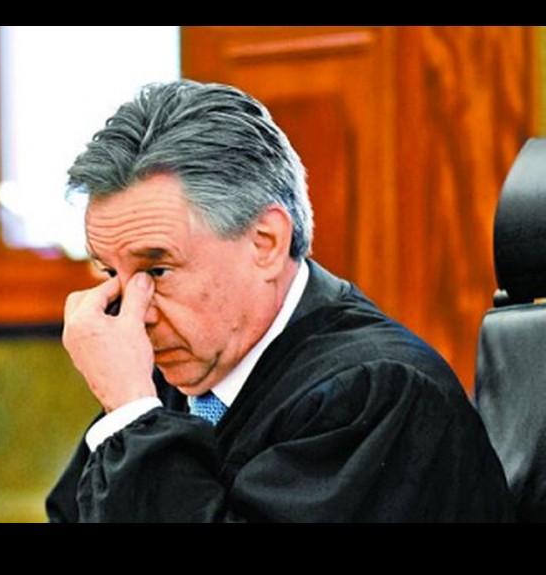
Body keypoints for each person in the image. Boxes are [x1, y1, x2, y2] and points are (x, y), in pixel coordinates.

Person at [45, 79, 513, 522]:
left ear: (266, 243)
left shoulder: (376, 391)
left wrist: (133, 416)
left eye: (157, 270)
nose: (132, 313)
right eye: (112, 274)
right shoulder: (169, 371)